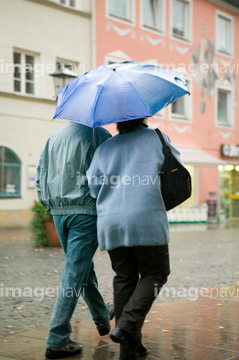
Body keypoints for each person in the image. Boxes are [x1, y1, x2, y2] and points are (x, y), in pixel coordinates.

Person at [87, 118, 184, 360]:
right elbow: (177, 168)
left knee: (125, 278)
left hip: (112, 221)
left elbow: (93, 187)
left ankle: (130, 349)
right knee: (156, 273)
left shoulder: (105, 148)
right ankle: (126, 325)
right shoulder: (156, 138)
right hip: (146, 218)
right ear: (143, 116)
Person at [36, 121, 114, 359]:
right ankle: (57, 338)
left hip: (59, 212)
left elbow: (41, 174)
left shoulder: (55, 137)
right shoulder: (100, 135)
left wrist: (49, 204)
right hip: (86, 213)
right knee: (74, 273)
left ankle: (101, 316)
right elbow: (110, 174)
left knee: (80, 268)